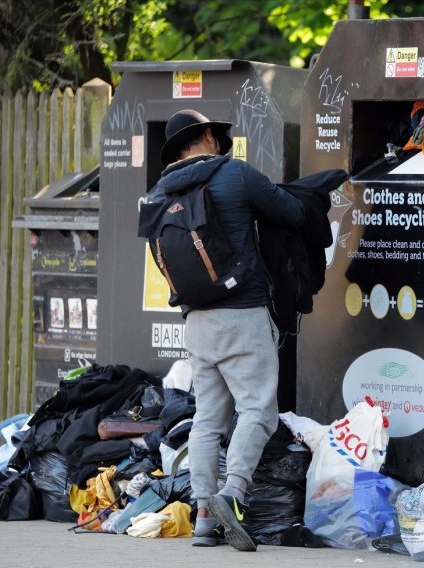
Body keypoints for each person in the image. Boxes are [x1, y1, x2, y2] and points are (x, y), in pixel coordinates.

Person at [150, 109, 305, 552]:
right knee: (258, 410)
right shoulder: (234, 175)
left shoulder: (159, 193)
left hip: (196, 321)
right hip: (243, 315)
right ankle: (232, 495)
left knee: (207, 420)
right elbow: (291, 211)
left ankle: (202, 515)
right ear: (206, 137)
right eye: (216, 135)